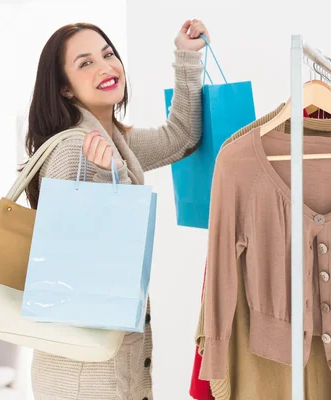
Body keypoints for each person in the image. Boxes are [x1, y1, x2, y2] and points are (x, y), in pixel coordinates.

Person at [23, 19, 209, 399]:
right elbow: (70, 255)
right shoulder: (75, 149)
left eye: (108, 55)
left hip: (107, 365)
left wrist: (186, 57)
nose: (106, 67)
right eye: (85, 63)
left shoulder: (111, 141)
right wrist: (116, 177)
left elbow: (180, 139)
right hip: (85, 378)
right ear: (64, 88)